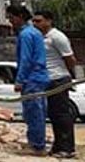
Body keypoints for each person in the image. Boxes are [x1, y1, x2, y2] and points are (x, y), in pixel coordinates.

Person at [33, 10, 77, 159]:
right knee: (53, 115)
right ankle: (58, 146)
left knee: (62, 114)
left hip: (59, 78)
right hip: (48, 79)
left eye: (39, 21)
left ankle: (68, 148)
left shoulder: (57, 37)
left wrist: (68, 77)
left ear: (49, 21)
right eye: (34, 21)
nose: (35, 24)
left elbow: (70, 59)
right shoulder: (40, 37)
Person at [8, 4, 50, 156]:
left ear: (19, 16)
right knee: (39, 112)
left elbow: (26, 60)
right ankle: (37, 143)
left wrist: (19, 80)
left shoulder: (25, 35)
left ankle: (37, 146)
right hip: (40, 77)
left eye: (11, 18)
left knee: (33, 113)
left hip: (32, 78)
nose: (10, 21)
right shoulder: (36, 33)